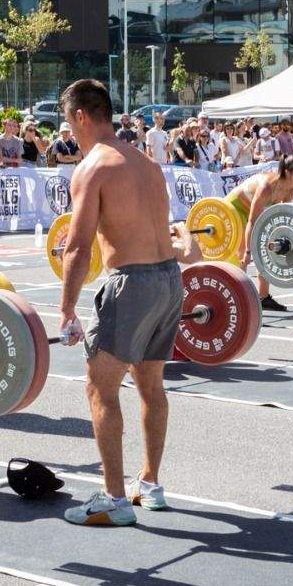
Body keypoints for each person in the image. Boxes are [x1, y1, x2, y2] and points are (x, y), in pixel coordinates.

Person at [56, 80, 184, 527]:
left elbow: (78, 247)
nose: (68, 130)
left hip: (131, 283)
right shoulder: (145, 163)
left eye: (68, 121)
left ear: (81, 117)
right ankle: (150, 483)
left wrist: (67, 309)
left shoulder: (93, 167)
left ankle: (113, 499)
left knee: (100, 387)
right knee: (150, 384)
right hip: (170, 279)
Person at [231, 155, 293, 313]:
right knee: (243, 255)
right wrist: (248, 251)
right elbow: (252, 222)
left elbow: (283, 220)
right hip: (236, 208)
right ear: (288, 173)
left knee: (268, 247)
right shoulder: (267, 187)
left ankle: (263, 297)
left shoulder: (290, 189)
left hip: (253, 213)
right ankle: (237, 298)